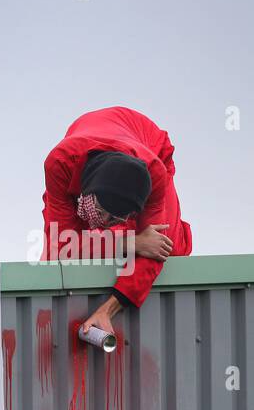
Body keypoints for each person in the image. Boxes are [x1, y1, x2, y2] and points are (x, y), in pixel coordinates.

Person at [41, 107, 193, 337]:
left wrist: (109, 308)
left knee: (170, 246)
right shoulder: (59, 164)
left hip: (148, 146)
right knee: (57, 254)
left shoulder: (155, 175)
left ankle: (123, 224)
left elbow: (156, 248)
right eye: (101, 213)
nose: (105, 224)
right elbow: (61, 246)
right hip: (86, 145)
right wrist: (128, 242)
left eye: (116, 219)